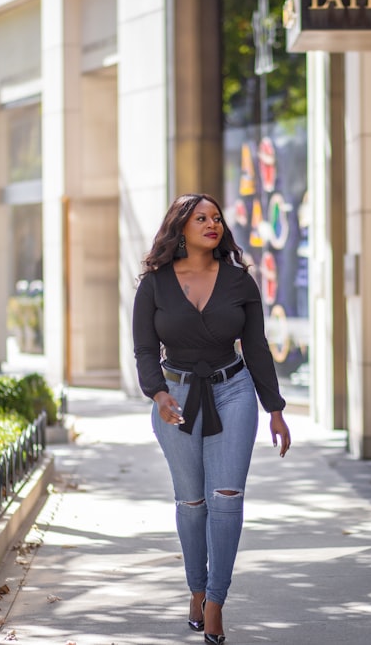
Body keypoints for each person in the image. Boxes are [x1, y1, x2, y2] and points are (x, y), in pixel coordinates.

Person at [132, 192, 291, 644]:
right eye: (200, 218)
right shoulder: (155, 284)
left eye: (216, 218)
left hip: (233, 390)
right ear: (180, 227)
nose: (211, 224)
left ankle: (216, 601)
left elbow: (257, 348)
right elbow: (145, 349)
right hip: (176, 395)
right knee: (191, 502)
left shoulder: (240, 281)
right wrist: (158, 393)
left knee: (226, 497)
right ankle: (196, 590)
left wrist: (275, 409)